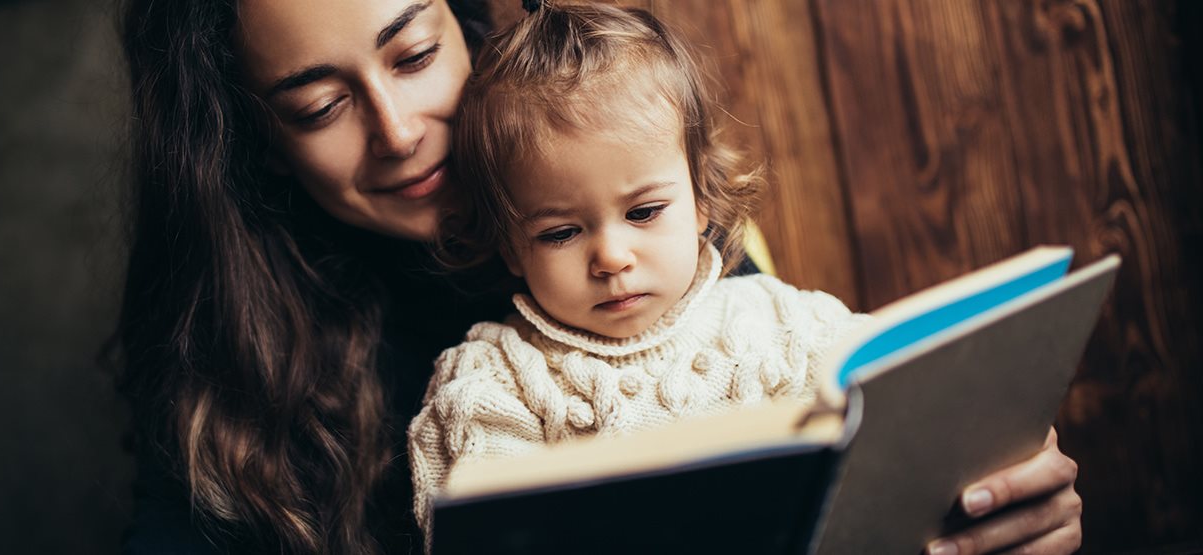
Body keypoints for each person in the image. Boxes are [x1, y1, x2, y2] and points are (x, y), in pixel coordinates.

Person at [112, 0, 1082, 553]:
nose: (399, 131)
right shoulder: (229, 376)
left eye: (414, 55)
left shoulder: (689, 264)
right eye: (320, 107)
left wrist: (980, 506)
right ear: (259, 146)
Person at [404, 3, 868, 542]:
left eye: (643, 212)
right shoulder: (495, 383)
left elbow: (900, 420)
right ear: (510, 249)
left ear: (701, 200)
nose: (611, 257)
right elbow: (486, 526)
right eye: (560, 233)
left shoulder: (783, 323)